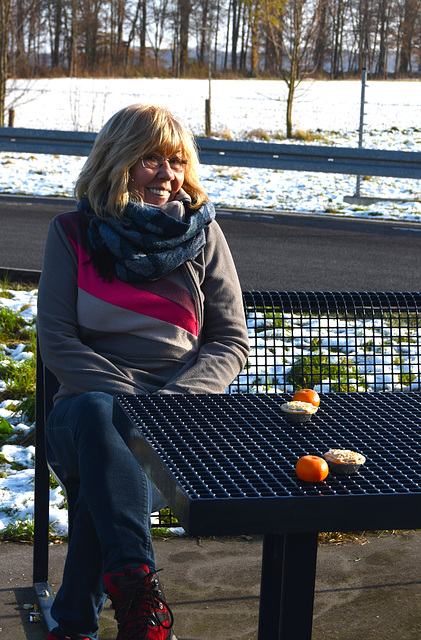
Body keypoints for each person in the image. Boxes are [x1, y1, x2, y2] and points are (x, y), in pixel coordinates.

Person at [37, 103, 250, 640]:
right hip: (84, 412)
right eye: (150, 159)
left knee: (106, 486)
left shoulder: (205, 237)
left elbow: (229, 343)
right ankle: (139, 597)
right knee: (100, 414)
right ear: (118, 161)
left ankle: (82, 617)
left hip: (179, 418)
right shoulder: (71, 233)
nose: (167, 174)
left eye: (176, 160)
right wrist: (132, 401)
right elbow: (57, 341)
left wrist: (169, 404)